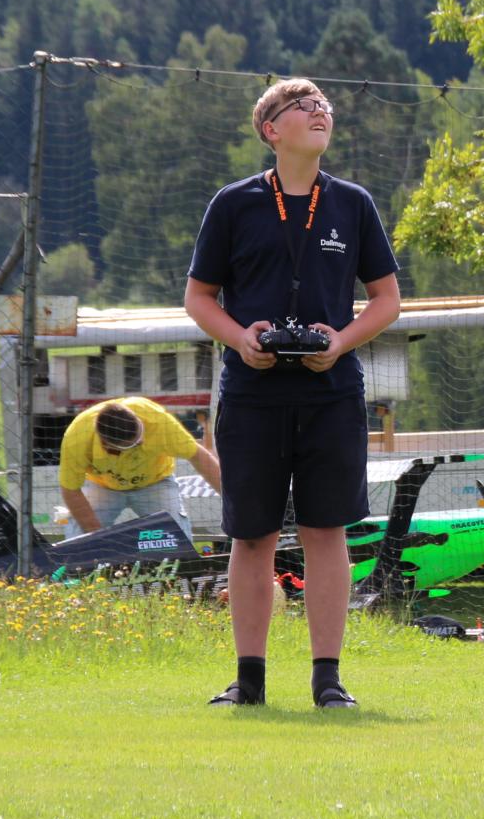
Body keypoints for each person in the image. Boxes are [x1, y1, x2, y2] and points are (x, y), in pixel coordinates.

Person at [184, 77, 400, 709]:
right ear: (271, 130)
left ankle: (328, 681)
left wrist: (341, 341)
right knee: (251, 536)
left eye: (324, 105)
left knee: (325, 531)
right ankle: (248, 681)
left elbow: (386, 299)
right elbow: (199, 297)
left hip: (331, 392)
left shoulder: (352, 203)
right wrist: (241, 337)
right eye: (303, 107)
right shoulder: (234, 204)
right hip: (252, 393)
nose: (319, 112)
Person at [57, 397, 220, 541]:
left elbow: (199, 456)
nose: (141, 441)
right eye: (134, 445)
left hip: (156, 483)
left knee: (178, 537)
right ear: (107, 445)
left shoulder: (157, 420)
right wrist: (96, 536)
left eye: (141, 434)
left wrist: (231, 498)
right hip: (102, 487)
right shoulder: (76, 439)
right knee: (79, 539)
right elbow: (70, 490)